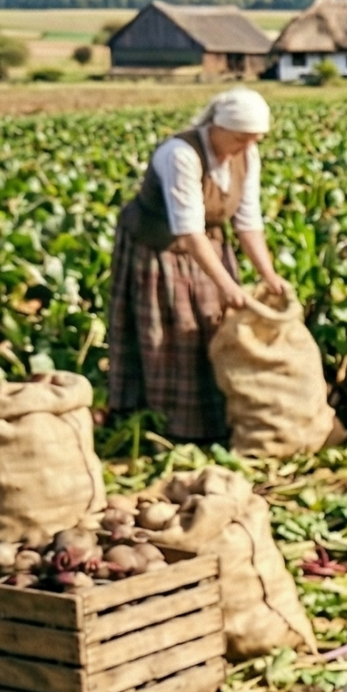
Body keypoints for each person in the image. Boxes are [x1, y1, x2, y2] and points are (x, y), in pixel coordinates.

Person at [107, 87, 292, 441]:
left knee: (214, 327)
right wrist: (228, 285)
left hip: (207, 242)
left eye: (254, 140)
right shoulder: (180, 154)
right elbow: (189, 230)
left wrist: (268, 274)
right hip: (157, 244)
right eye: (240, 138)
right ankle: (164, 421)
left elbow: (248, 221)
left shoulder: (247, 156)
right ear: (217, 128)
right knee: (168, 331)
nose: (246, 146)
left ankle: (210, 421)